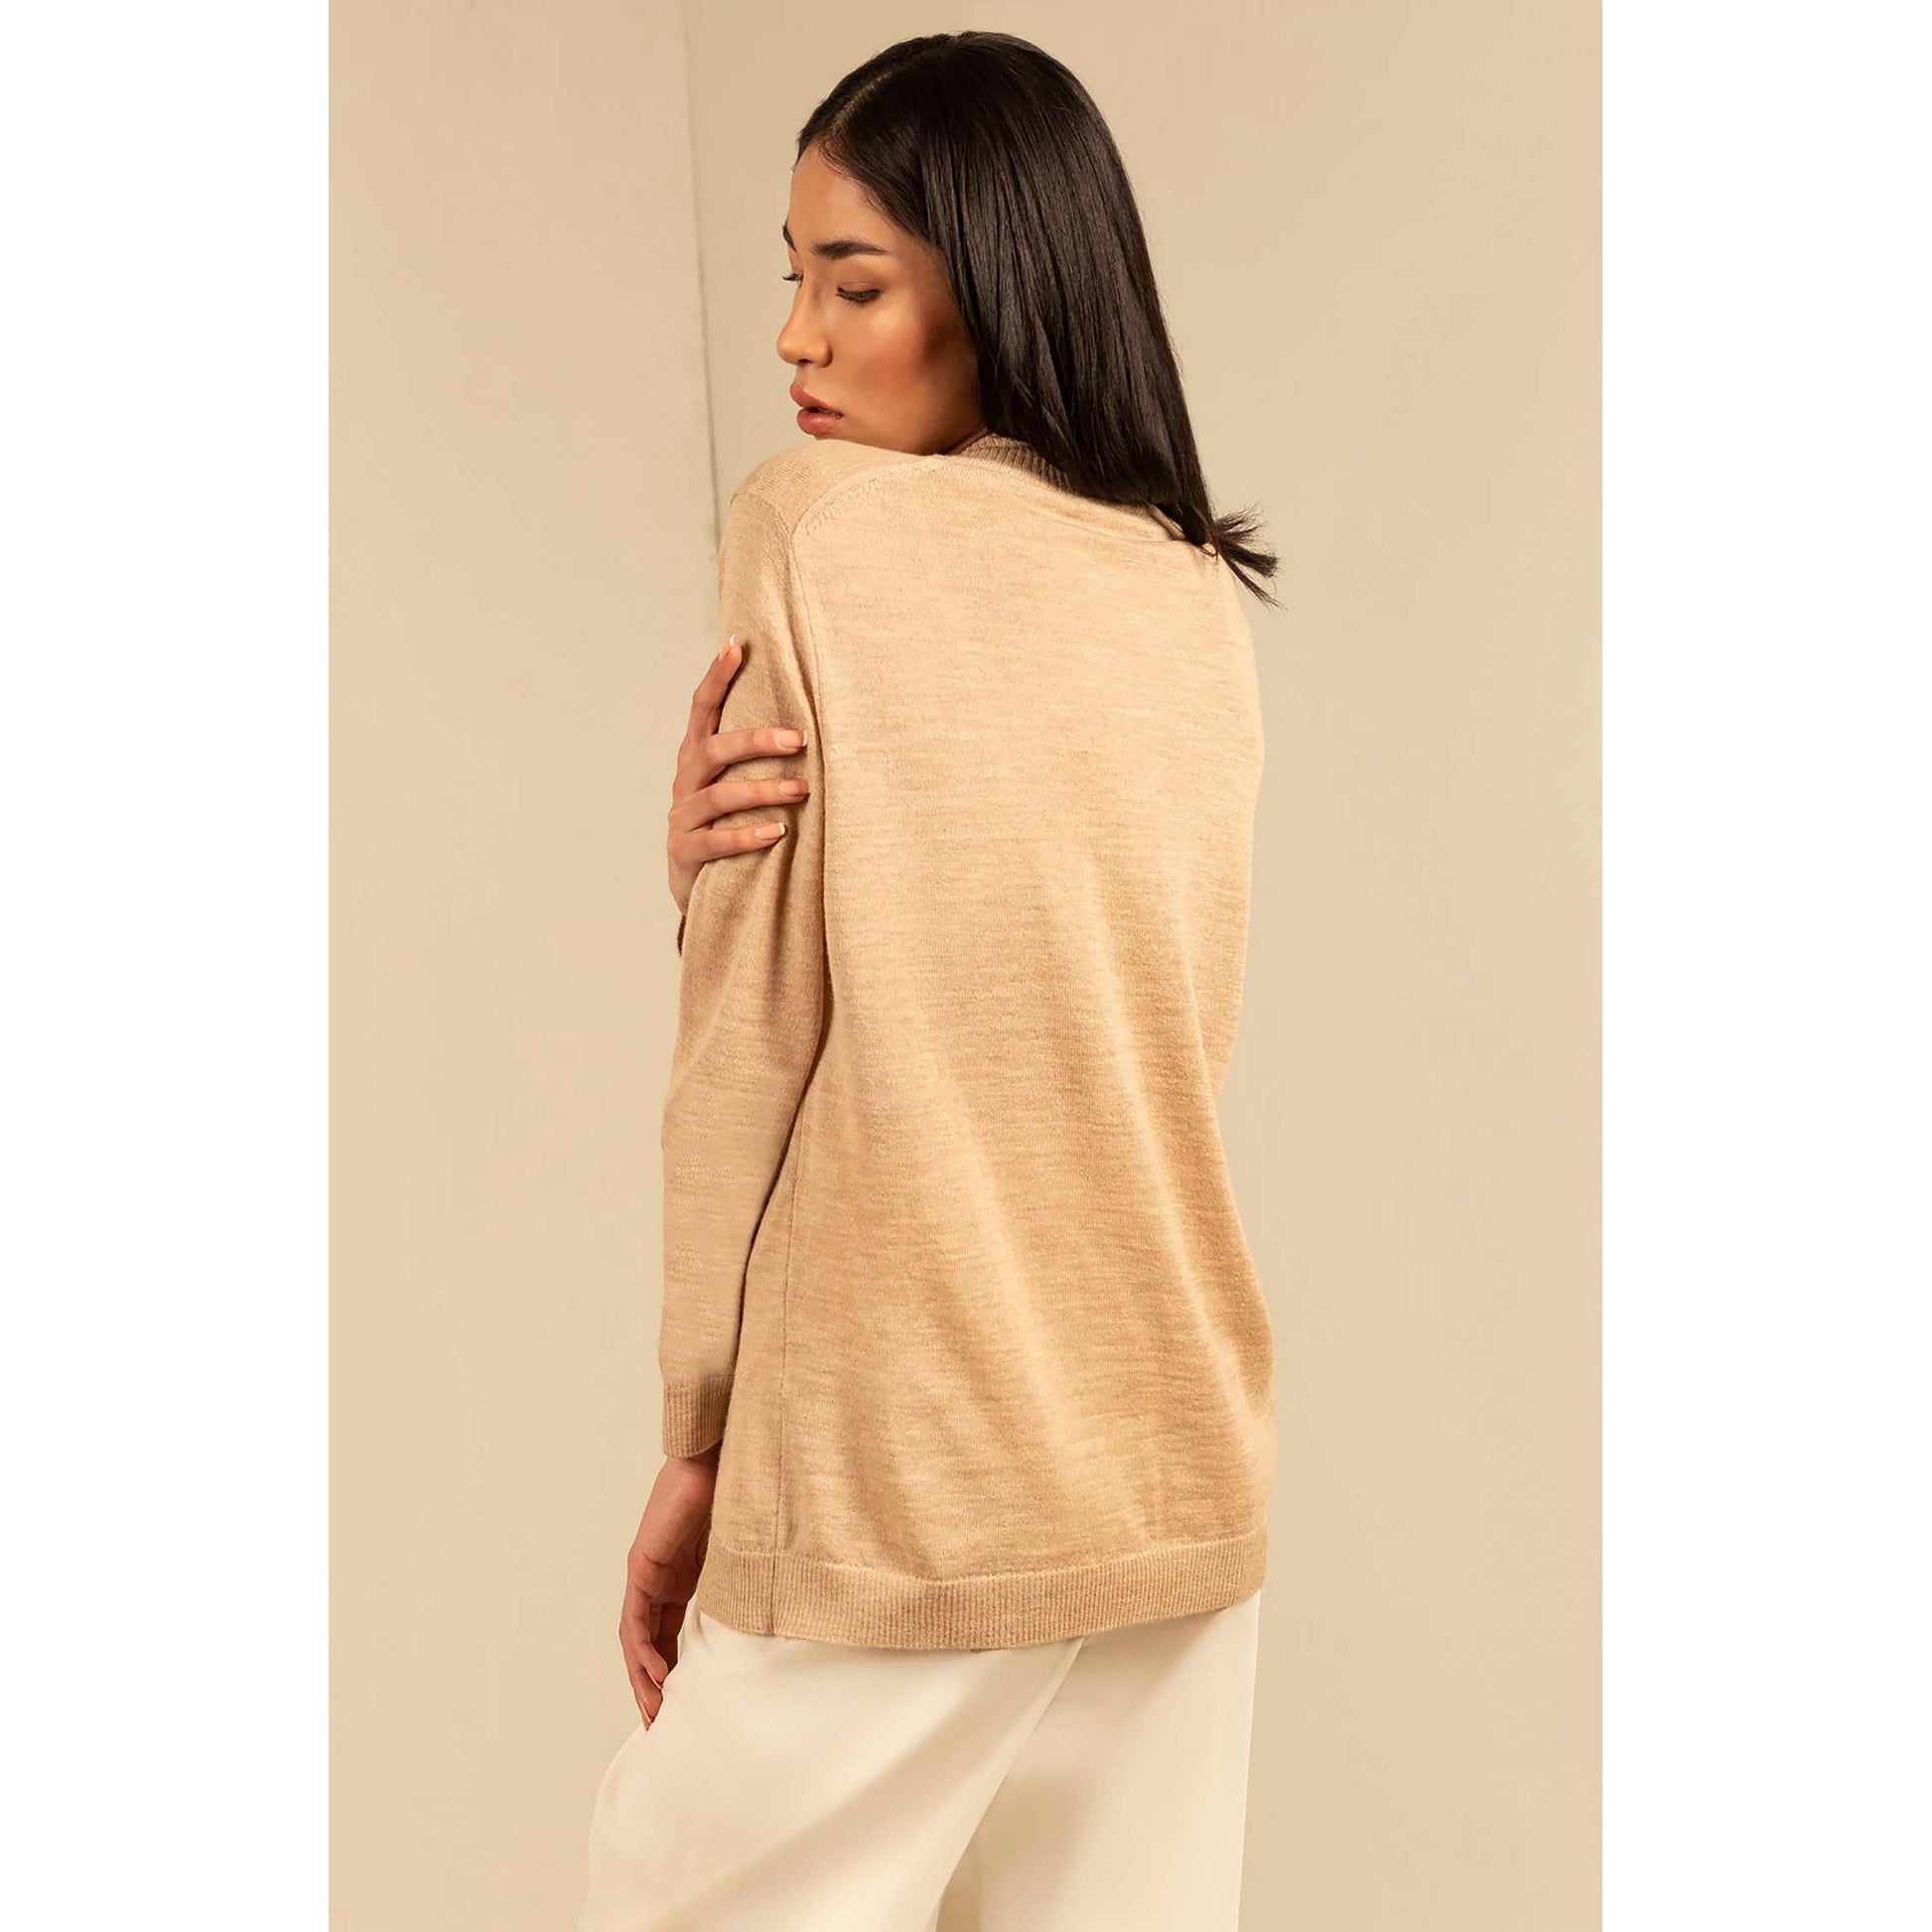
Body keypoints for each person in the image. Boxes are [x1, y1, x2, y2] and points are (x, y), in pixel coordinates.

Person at [577, 30, 1281, 1932]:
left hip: (904, 1450)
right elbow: (1129, 1001)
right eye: (791, 277)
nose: (795, 337)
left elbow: (756, 1034)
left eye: (854, 283)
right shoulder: (1183, 586)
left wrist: (699, 1434)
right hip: (1169, 1449)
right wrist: (725, 882)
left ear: (999, 283)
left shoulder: (814, 527)